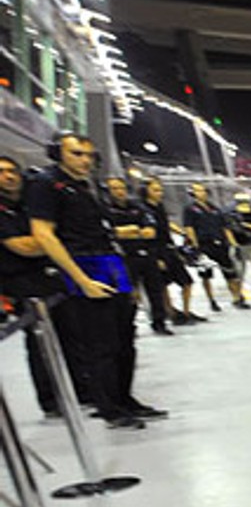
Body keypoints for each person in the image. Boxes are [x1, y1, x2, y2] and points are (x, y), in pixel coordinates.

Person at [26, 133, 160, 428]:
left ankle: (125, 398)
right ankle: (109, 408)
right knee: (101, 344)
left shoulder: (91, 187)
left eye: (88, 155)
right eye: (76, 153)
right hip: (83, 264)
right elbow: (44, 234)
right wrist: (81, 279)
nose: (84, 160)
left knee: (125, 338)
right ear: (58, 154)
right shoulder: (46, 184)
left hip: (110, 261)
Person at [0, 154, 66, 415]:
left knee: (69, 336)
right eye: (2, 172)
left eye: (12, 171)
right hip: (20, 282)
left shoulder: (32, 203)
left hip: (51, 275)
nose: (8, 176)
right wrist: (51, 242)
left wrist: (50, 241)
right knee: (39, 342)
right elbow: (23, 246)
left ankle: (77, 390)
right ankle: (49, 401)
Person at [105, 175, 171, 337]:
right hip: (123, 257)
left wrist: (130, 231)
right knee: (128, 294)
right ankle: (129, 326)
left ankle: (159, 322)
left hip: (146, 254)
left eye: (121, 188)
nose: (119, 192)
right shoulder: (105, 209)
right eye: (114, 188)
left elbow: (150, 231)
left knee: (155, 290)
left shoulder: (138, 207)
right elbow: (109, 233)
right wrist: (126, 232)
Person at [143, 178, 204, 325]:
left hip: (168, 248)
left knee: (187, 282)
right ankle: (171, 313)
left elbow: (166, 224)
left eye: (160, 190)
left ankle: (186, 312)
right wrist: (156, 258)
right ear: (146, 191)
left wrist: (182, 233)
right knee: (163, 285)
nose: (159, 193)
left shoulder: (159, 207)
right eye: (155, 190)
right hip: (155, 250)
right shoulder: (143, 209)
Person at [184, 182, 244, 309]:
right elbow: (189, 228)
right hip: (204, 245)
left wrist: (233, 243)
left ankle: (236, 298)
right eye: (198, 190)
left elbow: (225, 227)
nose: (202, 193)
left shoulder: (215, 209)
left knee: (230, 273)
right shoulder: (190, 209)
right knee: (206, 275)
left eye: (203, 190)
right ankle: (212, 300)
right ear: (193, 193)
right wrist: (195, 246)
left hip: (220, 244)